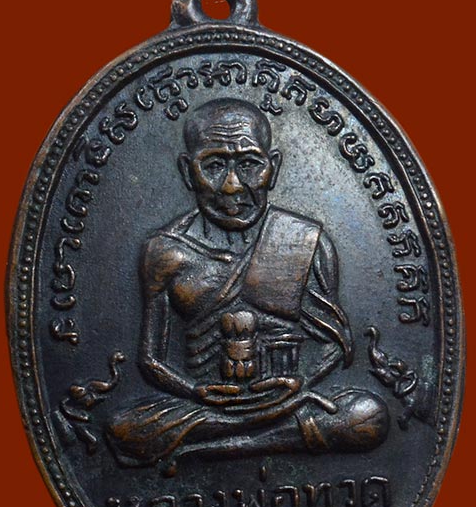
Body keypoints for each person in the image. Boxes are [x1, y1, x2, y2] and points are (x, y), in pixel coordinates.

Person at [107, 98, 388, 469]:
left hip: (287, 398)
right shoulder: (165, 252)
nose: (232, 186)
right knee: (122, 428)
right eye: (214, 166)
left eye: (250, 164)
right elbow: (150, 360)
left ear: (273, 168)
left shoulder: (305, 240)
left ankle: (204, 450)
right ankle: (265, 437)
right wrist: (196, 391)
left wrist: (301, 382)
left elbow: (335, 345)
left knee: (368, 414)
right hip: (206, 405)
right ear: (188, 172)